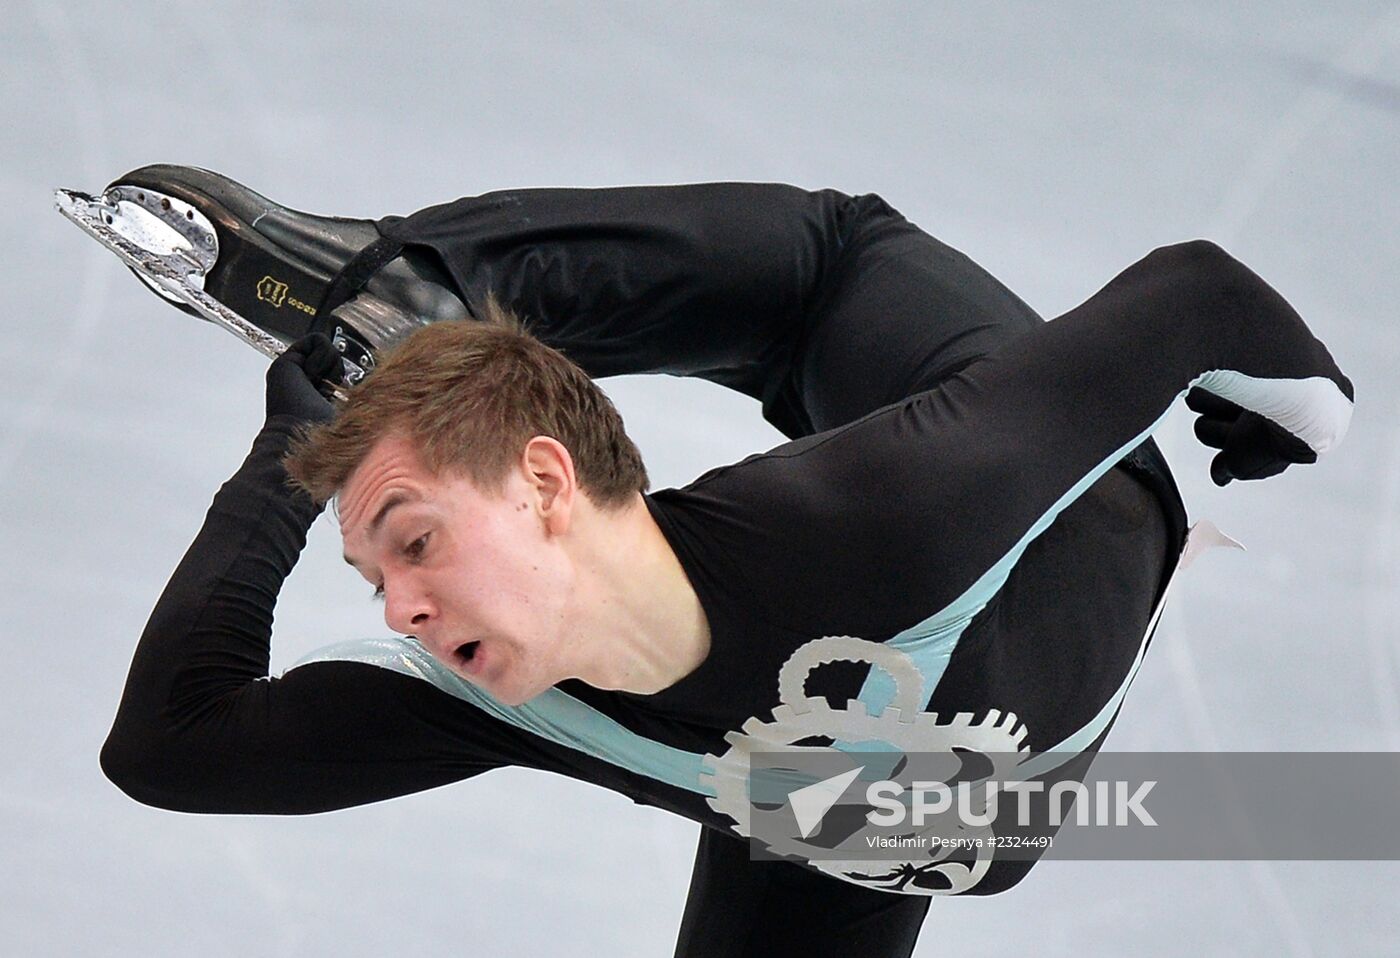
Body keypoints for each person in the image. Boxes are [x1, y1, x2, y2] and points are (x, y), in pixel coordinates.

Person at [98, 168, 1352, 957]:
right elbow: (169, 747)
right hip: (858, 818)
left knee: (819, 271)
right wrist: (291, 451)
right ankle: (388, 333)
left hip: (1039, 507)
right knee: (848, 798)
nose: (403, 609)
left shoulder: (895, 512)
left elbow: (1198, 295)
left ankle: (411, 281)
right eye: (374, 581)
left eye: (413, 544)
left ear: (544, 486)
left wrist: (1306, 404)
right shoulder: (497, 694)